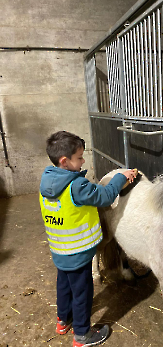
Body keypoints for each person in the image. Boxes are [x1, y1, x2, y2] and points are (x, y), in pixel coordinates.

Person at [39, 131, 136, 347]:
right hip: (79, 254)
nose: (84, 161)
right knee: (82, 293)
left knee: (64, 286)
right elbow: (106, 195)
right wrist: (121, 177)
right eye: (80, 158)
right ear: (65, 161)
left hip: (60, 251)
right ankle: (82, 335)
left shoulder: (47, 180)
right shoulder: (77, 186)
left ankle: (63, 321)